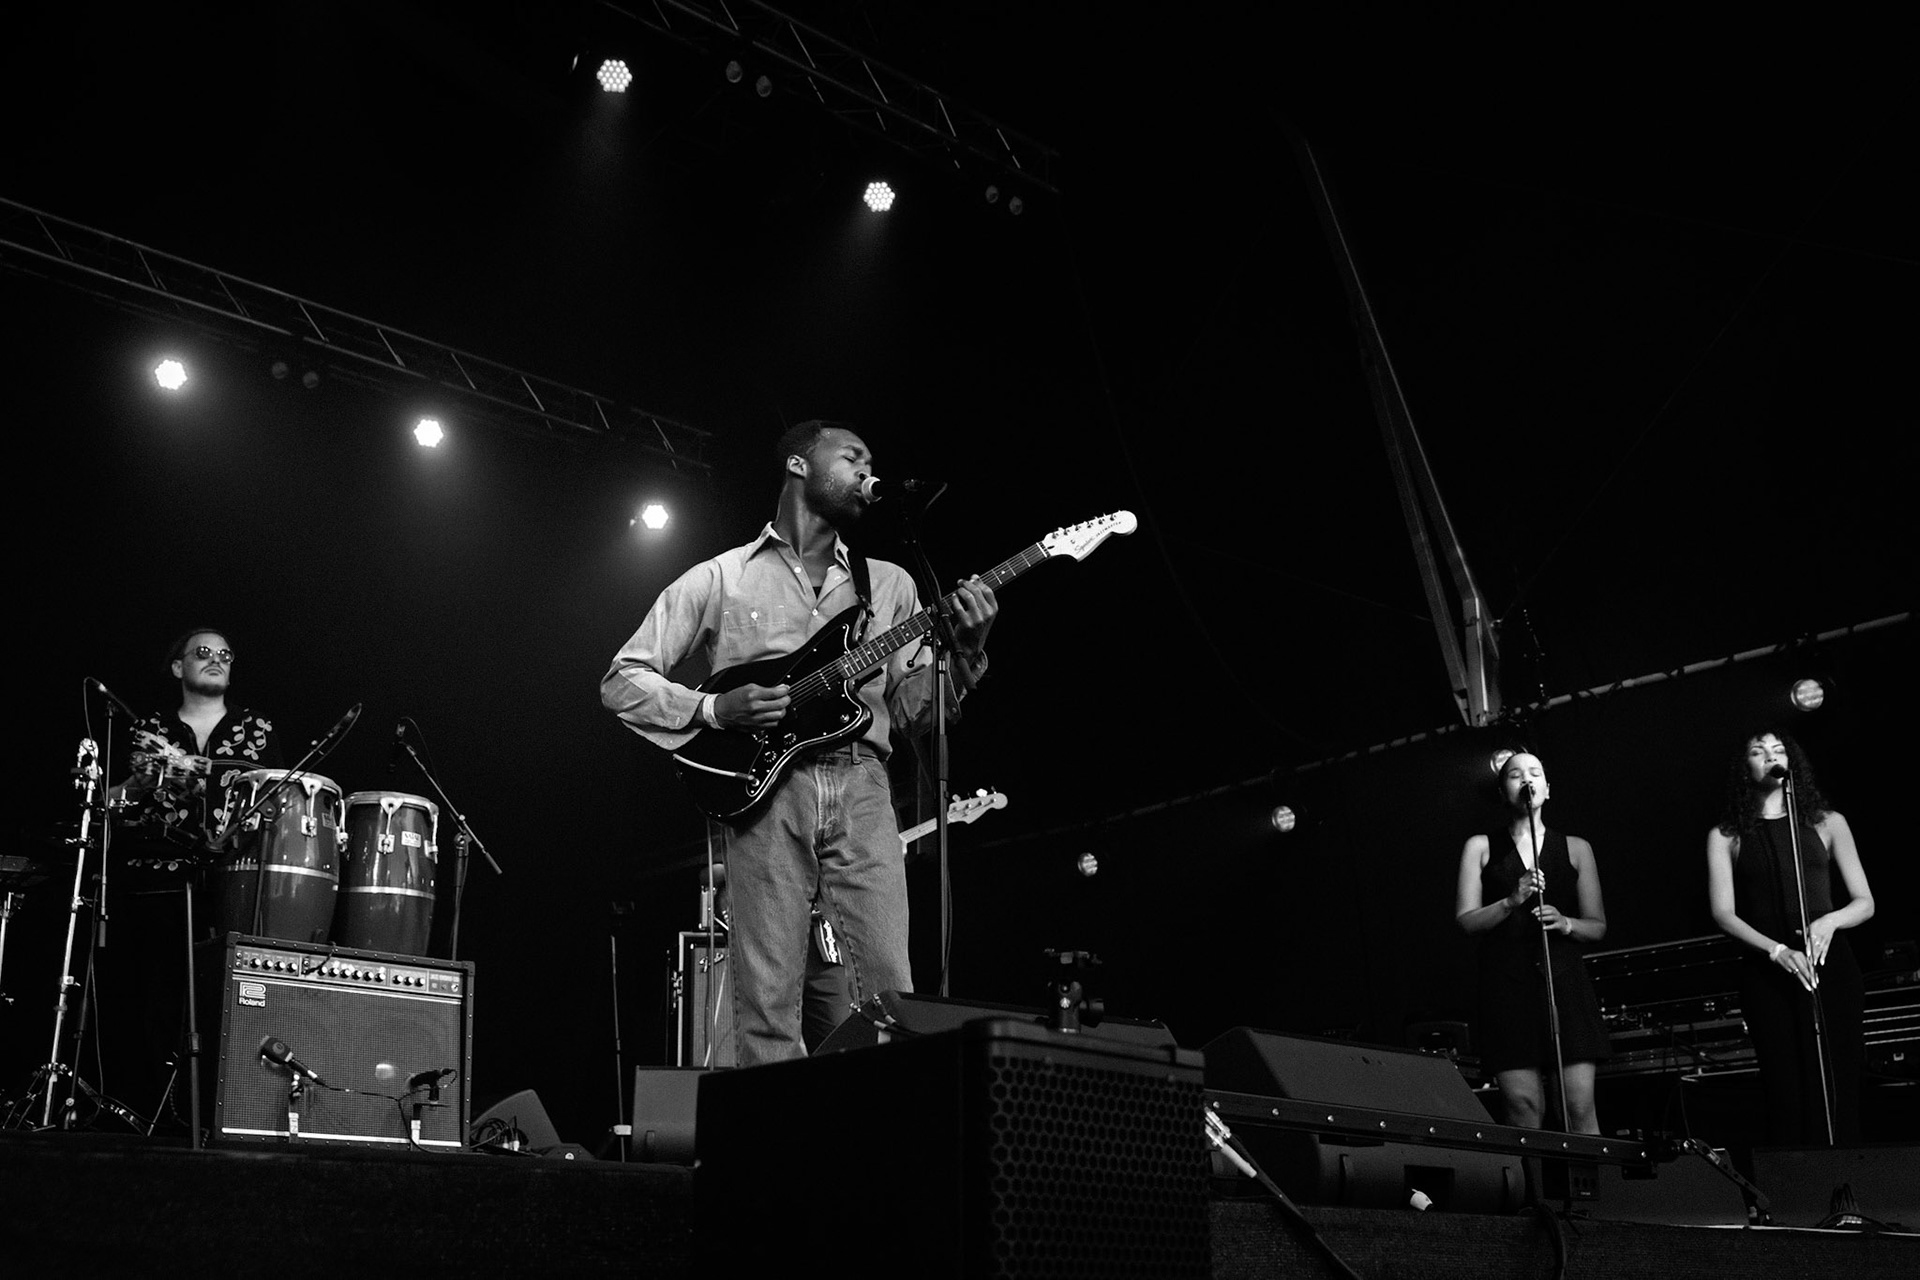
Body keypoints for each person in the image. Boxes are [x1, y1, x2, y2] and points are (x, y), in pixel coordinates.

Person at [602, 420, 998, 1064]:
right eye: (852, 456)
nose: (868, 468)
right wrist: (713, 707)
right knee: (767, 999)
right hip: (766, 791)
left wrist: (969, 649)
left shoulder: (890, 583)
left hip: (865, 783)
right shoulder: (721, 577)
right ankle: (773, 1157)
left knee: (892, 991)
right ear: (798, 464)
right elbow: (622, 680)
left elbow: (915, 712)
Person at [103, 627, 284, 1126]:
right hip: (157, 881)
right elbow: (120, 803)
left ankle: (219, 1113)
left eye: (225, 654)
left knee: (225, 1002)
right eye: (203, 653)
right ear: (177, 667)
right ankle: (151, 1115)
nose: (216, 660)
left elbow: (274, 805)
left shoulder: (257, 727)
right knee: (155, 1002)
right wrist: (135, 786)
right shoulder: (149, 728)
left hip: (232, 880)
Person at [1705, 728, 1872, 1147]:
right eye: (1758, 751)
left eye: (1778, 750)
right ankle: (1796, 1195)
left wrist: (1830, 922)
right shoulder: (1726, 835)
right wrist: (1775, 950)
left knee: (1840, 1078)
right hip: (1769, 967)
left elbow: (1864, 901)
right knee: (1784, 1083)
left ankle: (1848, 1188)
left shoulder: (1827, 822)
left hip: (1827, 961)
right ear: (1744, 767)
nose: (1770, 756)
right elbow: (1723, 913)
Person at [1455, 750, 1610, 1133]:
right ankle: (1535, 1192)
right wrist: (1511, 900)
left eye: (1535, 773)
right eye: (1515, 775)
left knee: (1576, 1106)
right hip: (1507, 986)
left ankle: (1599, 1189)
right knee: (1523, 1106)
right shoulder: (1481, 846)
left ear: (1547, 789)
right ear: (1503, 791)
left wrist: (1566, 922)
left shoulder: (1576, 847)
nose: (1526, 780)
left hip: (1563, 984)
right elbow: (1466, 921)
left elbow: (1598, 925)